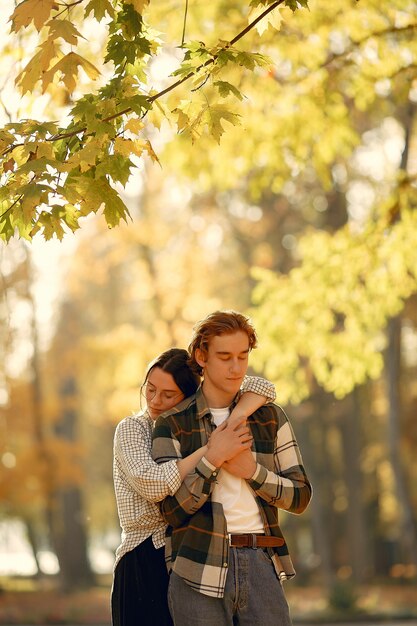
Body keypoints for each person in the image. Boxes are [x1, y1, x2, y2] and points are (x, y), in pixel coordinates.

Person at [152, 312, 312, 626]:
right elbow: (171, 510)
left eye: (242, 356)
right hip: (196, 566)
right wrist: (212, 459)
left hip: (261, 562)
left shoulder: (270, 418)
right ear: (202, 356)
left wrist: (252, 471)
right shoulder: (171, 423)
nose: (236, 367)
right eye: (224, 357)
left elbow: (301, 496)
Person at [112, 347, 276, 626]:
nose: (154, 400)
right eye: (150, 389)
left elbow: (264, 387)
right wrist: (212, 450)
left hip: (193, 555)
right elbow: (152, 484)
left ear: (189, 396)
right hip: (143, 558)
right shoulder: (133, 428)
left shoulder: (193, 423)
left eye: (168, 395)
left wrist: (234, 420)